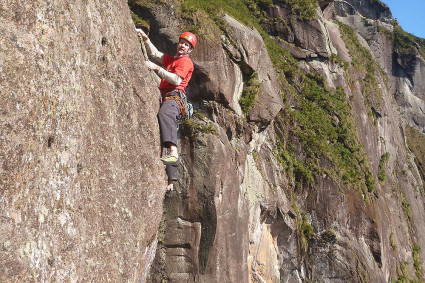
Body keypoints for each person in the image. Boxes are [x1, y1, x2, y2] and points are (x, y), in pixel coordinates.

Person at [136, 28, 196, 193]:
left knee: (165, 115)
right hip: (168, 97)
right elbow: (156, 54)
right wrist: (146, 38)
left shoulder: (185, 62)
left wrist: (156, 69)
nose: (182, 46)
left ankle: (174, 152)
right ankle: (170, 181)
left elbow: (176, 79)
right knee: (166, 132)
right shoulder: (173, 59)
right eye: (181, 43)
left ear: (190, 50)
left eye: (186, 45)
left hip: (174, 97)